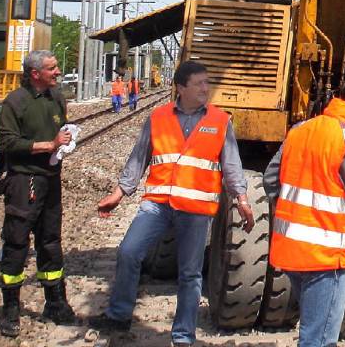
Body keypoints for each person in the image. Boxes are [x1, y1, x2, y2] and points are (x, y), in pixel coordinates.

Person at [91, 61, 255, 344]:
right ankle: (119, 316)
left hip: (195, 209)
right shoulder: (158, 117)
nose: (206, 88)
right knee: (129, 252)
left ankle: (183, 336)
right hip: (157, 204)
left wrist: (241, 197)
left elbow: (231, 164)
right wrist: (119, 194)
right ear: (181, 88)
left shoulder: (219, 121)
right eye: (199, 83)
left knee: (189, 274)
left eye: (207, 82)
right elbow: (138, 157)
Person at [265, 75, 345, 347]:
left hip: (293, 253)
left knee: (312, 333)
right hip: (326, 259)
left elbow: (271, 180)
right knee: (318, 341)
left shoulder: (299, 130)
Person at [0, 49, 77, 336]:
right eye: (52, 68)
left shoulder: (57, 98)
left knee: (51, 240)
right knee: (17, 242)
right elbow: (7, 144)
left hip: (51, 179)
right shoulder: (15, 103)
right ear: (35, 74)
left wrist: (65, 144)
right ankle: (10, 311)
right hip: (24, 181)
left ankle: (55, 303)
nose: (57, 72)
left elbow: (60, 130)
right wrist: (47, 145)